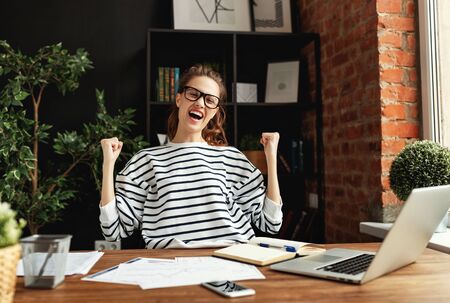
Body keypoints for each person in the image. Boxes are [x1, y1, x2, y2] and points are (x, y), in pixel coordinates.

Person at [99, 64, 282, 249]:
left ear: (215, 112)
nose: (200, 103)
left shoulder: (231, 158)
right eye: (193, 94)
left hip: (231, 260)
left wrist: (272, 157)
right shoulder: (147, 161)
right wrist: (108, 165)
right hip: (168, 267)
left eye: (210, 100)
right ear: (179, 99)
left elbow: (270, 222)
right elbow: (113, 230)